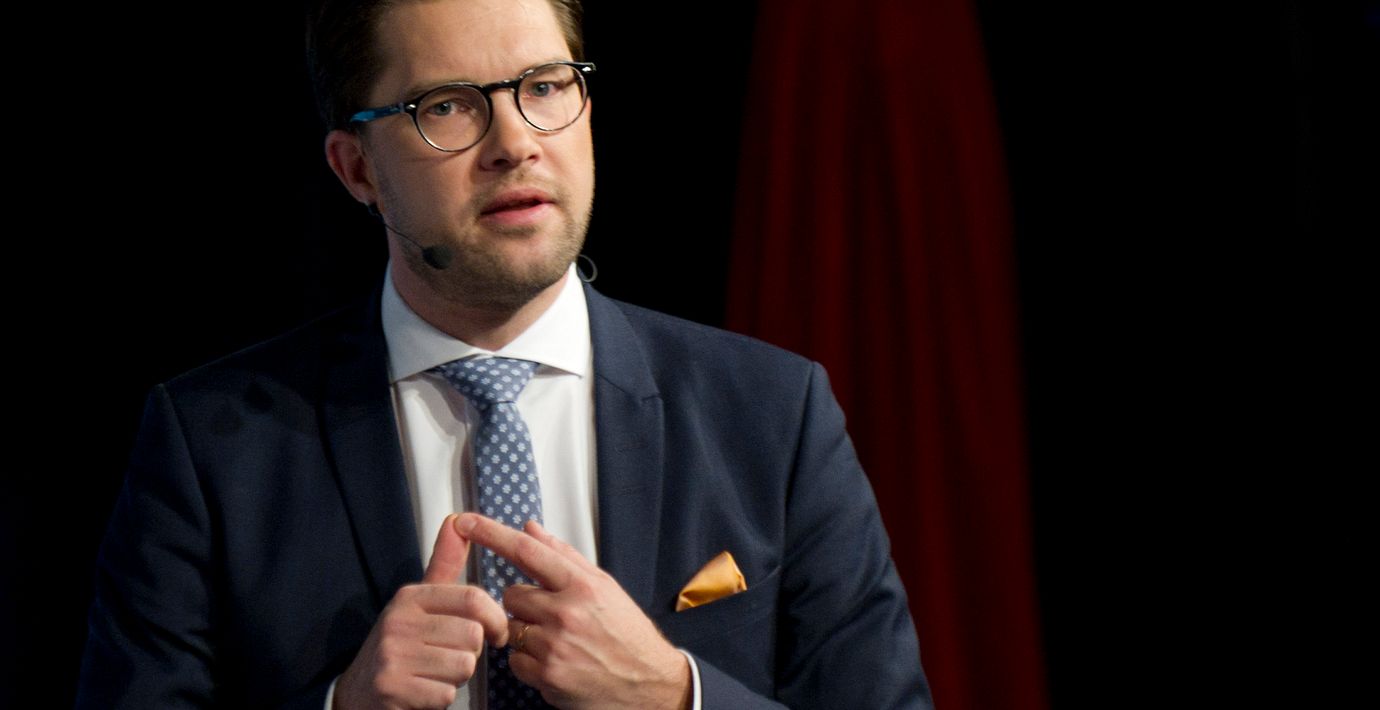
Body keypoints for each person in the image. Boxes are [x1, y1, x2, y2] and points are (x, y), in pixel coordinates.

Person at [78, 0, 933, 707]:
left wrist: (676, 695)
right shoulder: (210, 445)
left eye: (544, 86)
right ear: (357, 170)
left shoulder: (774, 416)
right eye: (447, 105)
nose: (515, 142)